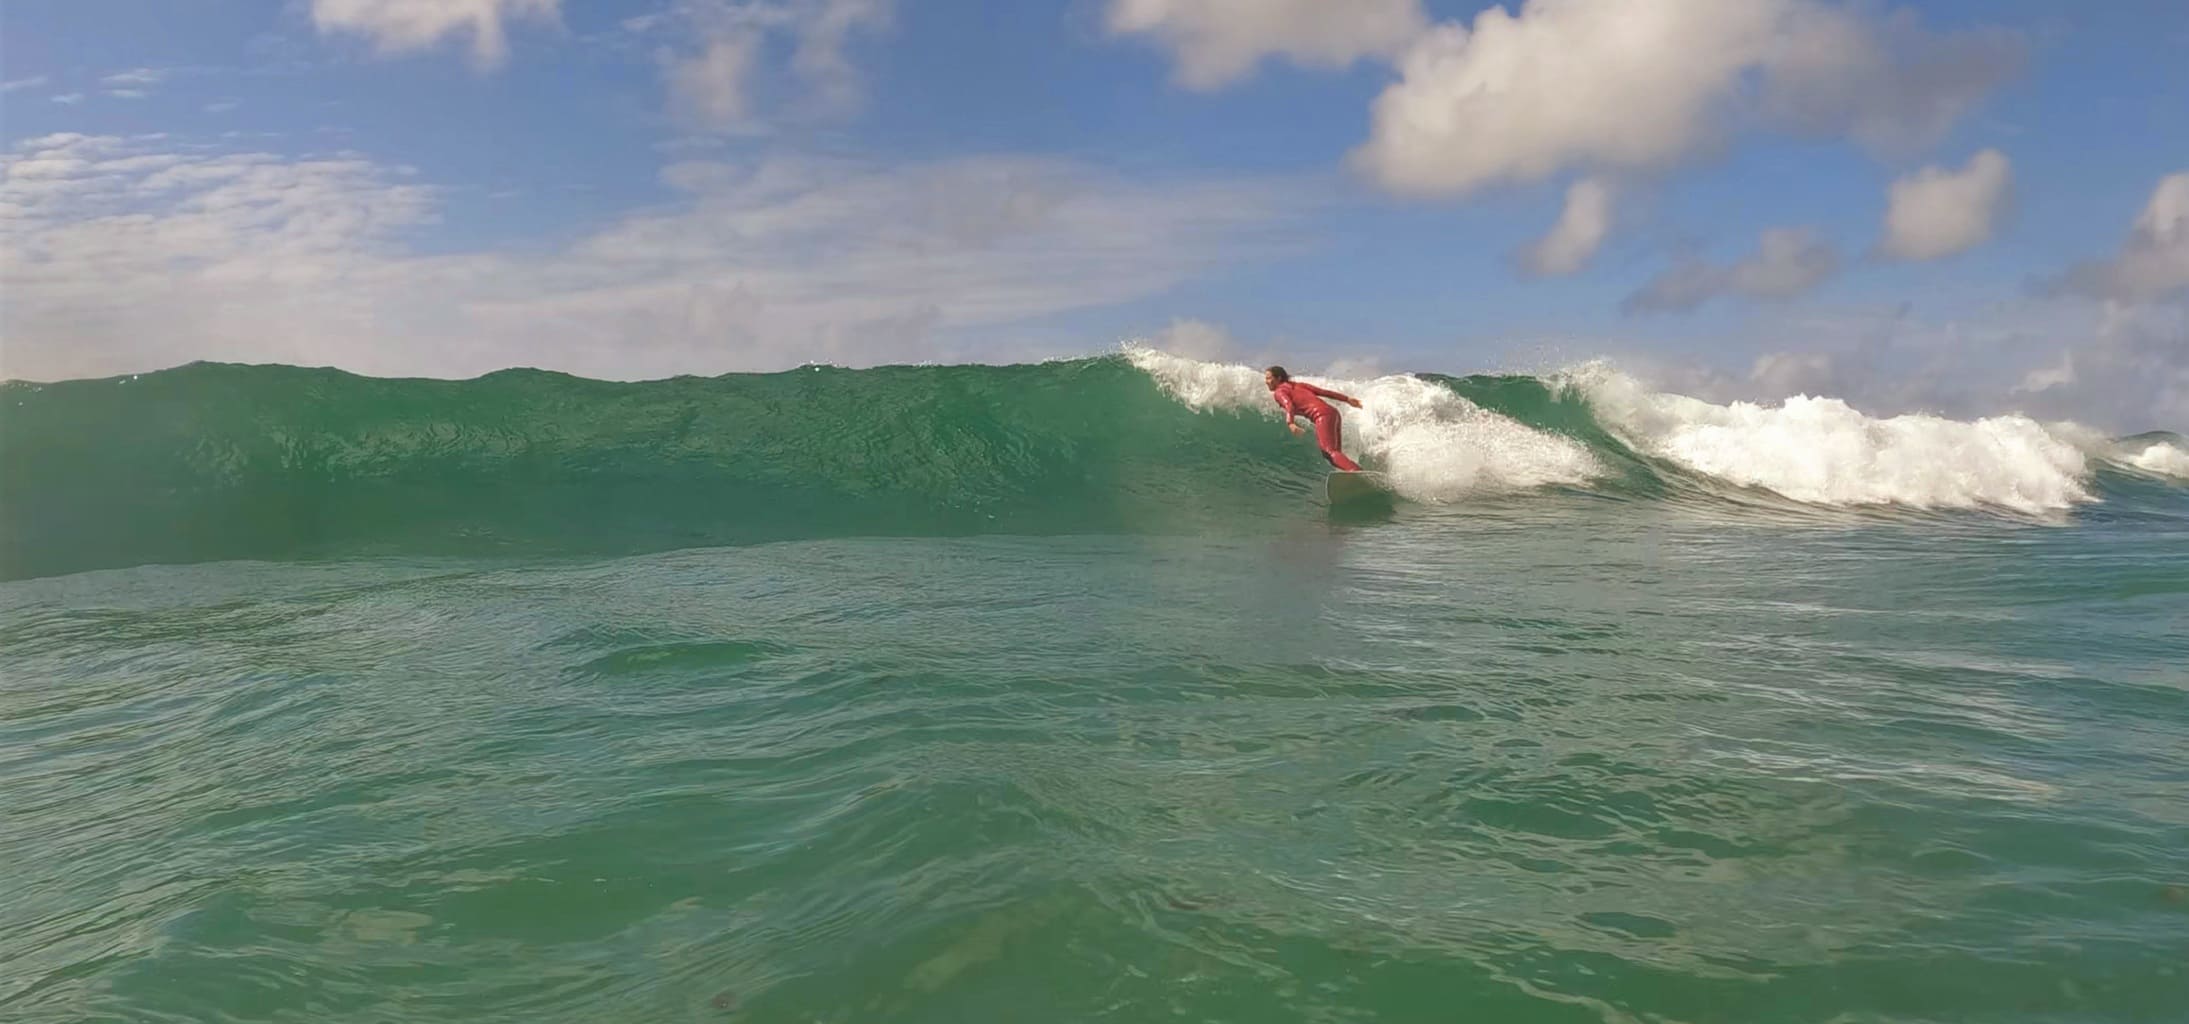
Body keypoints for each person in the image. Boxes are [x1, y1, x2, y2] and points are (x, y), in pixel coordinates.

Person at [1264, 365, 1363, 472]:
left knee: (1328, 451)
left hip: (1321, 416)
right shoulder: (1299, 385)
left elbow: (1289, 405)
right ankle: (1357, 472)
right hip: (1333, 413)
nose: (1266, 381)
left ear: (1278, 378)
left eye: (1269, 378)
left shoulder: (1279, 392)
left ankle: (1355, 471)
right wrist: (1347, 399)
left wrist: (1290, 423)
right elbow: (1323, 392)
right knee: (1333, 454)